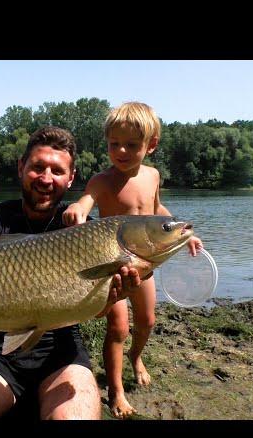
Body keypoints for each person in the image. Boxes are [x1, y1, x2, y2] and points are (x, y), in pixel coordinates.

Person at [0, 126, 148, 420]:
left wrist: (111, 298)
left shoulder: (85, 228)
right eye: (37, 167)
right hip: (1, 356)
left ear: (70, 178)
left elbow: (96, 311)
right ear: (21, 168)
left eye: (57, 171)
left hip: (63, 357)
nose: (46, 179)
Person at [62, 102, 203, 418]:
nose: (121, 151)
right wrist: (79, 210)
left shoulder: (153, 176)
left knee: (147, 321)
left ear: (150, 146)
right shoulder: (103, 180)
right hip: (113, 267)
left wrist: (184, 233)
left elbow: (158, 212)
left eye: (131, 145)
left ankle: (137, 358)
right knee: (118, 327)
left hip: (146, 263)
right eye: (114, 144)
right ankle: (116, 391)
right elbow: (86, 201)